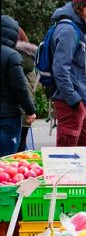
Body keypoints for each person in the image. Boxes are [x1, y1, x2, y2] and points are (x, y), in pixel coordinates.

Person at [50, 0, 86, 148]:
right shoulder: (68, 30)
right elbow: (60, 69)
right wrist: (73, 100)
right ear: (82, 5)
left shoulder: (77, 28)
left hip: (79, 101)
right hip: (70, 101)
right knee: (66, 156)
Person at [0, 15, 36, 156]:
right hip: (8, 116)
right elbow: (20, 87)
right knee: (6, 160)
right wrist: (30, 110)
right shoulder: (12, 56)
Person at [15, 28, 38, 152]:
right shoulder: (30, 60)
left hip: (11, 111)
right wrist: (30, 109)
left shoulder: (11, 57)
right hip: (25, 110)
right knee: (20, 148)